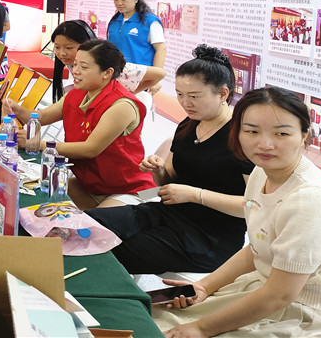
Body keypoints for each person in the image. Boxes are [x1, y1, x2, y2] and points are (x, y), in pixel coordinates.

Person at [153, 87, 321, 338]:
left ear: (304, 135)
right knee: (152, 318)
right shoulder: (261, 172)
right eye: (252, 131)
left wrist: (200, 328)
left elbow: (279, 296)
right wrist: (204, 286)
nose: (265, 144)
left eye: (281, 133)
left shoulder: (311, 200)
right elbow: (258, 247)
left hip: (303, 315)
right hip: (262, 290)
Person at [86, 45, 254, 274]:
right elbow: (167, 181)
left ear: (223, 94)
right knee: (86, 224)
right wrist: (158, 170)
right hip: (167, 214)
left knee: (109, 251)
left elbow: (253, 206)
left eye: (194, 96)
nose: (185, 103)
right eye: (180, 94)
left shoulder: (242, 137)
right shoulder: (189, 124)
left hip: (207, 238)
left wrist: (195, 195)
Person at [9, 39, 155, 208]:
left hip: (130, 190)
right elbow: (40, 117)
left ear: (107, 73)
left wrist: (38, 144)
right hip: (91, 186)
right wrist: (16, 109)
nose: (75, 71)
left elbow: (90, 149)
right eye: (75, 64)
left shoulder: (122, 105)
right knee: (36, 200)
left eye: (84, 67)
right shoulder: (76, 94)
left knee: (96, 221)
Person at [48, 19, 166, 103]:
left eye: (69, 48)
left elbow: (160, 73)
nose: (62, 53)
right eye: (57, 47)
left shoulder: (110, 65)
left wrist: (130, 93)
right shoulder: (72, 61)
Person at [107, 0, 166, 106]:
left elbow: (161, 49)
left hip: (140, 77)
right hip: (117, 75)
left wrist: (155, 79)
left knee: (135, 110)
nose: (119, 3)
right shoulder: (115, 21)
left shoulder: (149, 22)